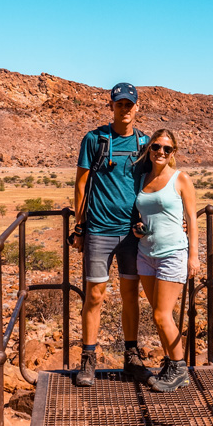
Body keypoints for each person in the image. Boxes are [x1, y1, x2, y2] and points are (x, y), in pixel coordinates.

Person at [71, 82, 153, 387]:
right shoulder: (94, 140)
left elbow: (157, 184)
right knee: (94, 295)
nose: (125, 108)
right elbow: (81, 184)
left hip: (133, 234)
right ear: (111, 107)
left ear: (137, 107)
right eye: (119, 104)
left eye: (130, 104)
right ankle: (88, 359)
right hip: (99, 230)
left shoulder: (146, 143)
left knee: (131, 295)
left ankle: (131, 358)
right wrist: (80, 225)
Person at [133, 129, 198, 392]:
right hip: (145, 254)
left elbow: (192, 219)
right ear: (149, 149)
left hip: (173, 253)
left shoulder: (180, 179)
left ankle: (180, 370)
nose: (161, 152)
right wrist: (139, 227)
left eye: (167, 149)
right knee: (160, 315)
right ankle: (171, 364)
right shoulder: (142, 179)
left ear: (173, 153)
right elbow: (141, 213)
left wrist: (194, 256)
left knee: (162, 315)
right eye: (156, 147)